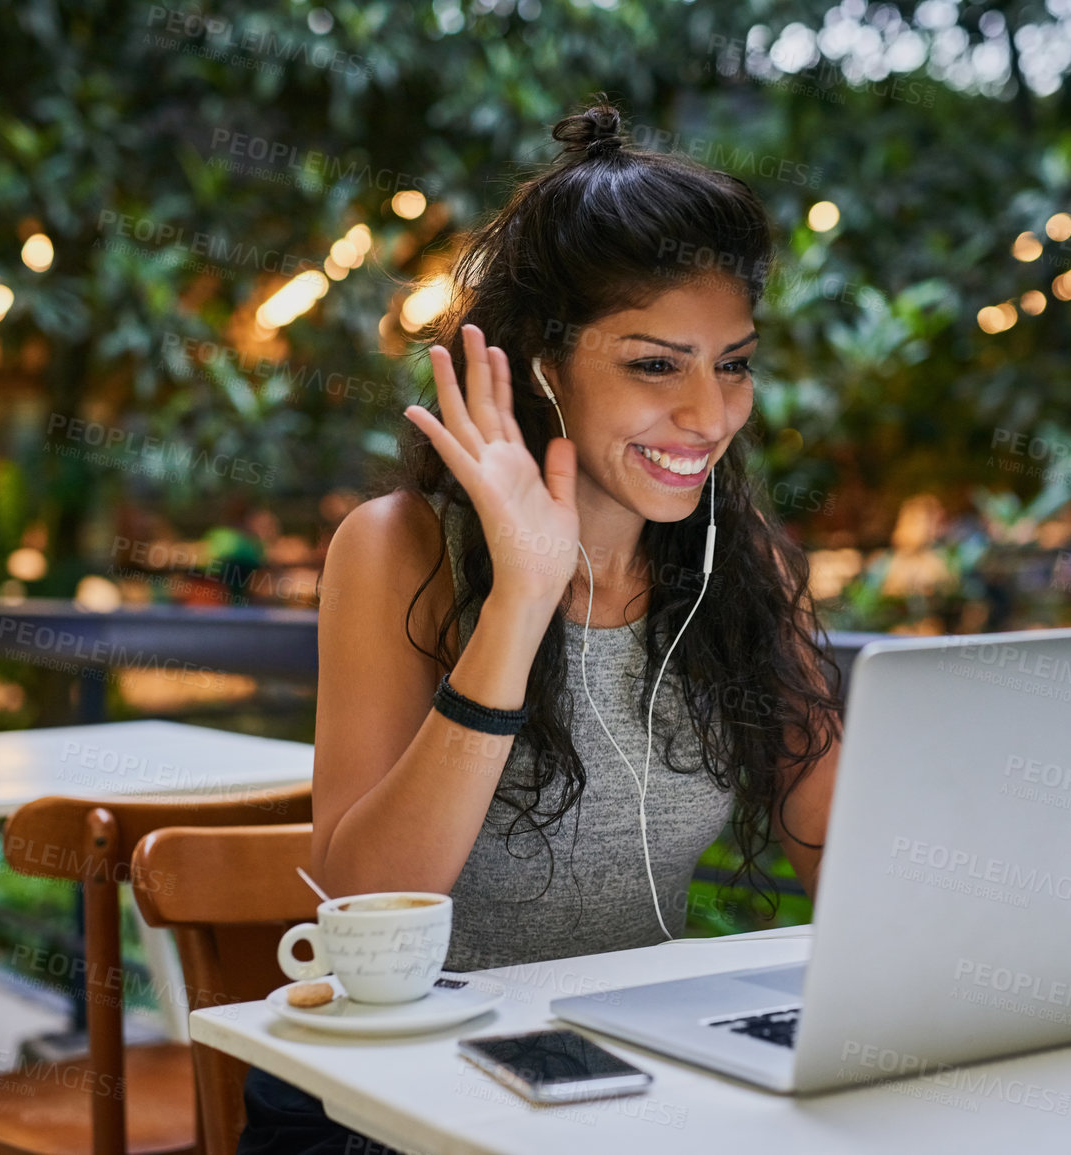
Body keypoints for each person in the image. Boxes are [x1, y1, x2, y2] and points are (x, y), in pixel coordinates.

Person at [236, 95, 844, 1154]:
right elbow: (364, 895)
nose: (711, 414)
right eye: (657, 364)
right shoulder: (399, 550)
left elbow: (839, 852)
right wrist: (521, 598)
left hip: (611, 1075)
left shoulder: (739, 571)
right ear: (544, 368)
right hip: (386, 1098)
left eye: (733, 363)